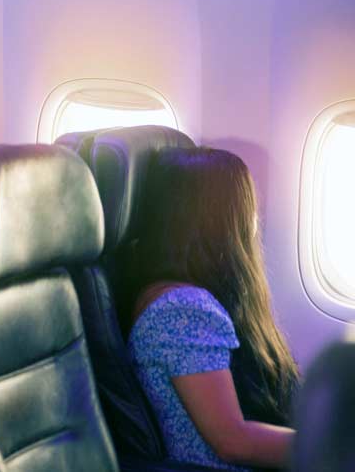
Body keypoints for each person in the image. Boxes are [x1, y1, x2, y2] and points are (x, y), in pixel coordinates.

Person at [120, 147, 299, 470]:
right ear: (225, 221)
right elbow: (233, 441)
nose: (256, 221)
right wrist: (331, 444)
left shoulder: (174, 295)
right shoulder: (183, 309)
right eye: (248, 209)